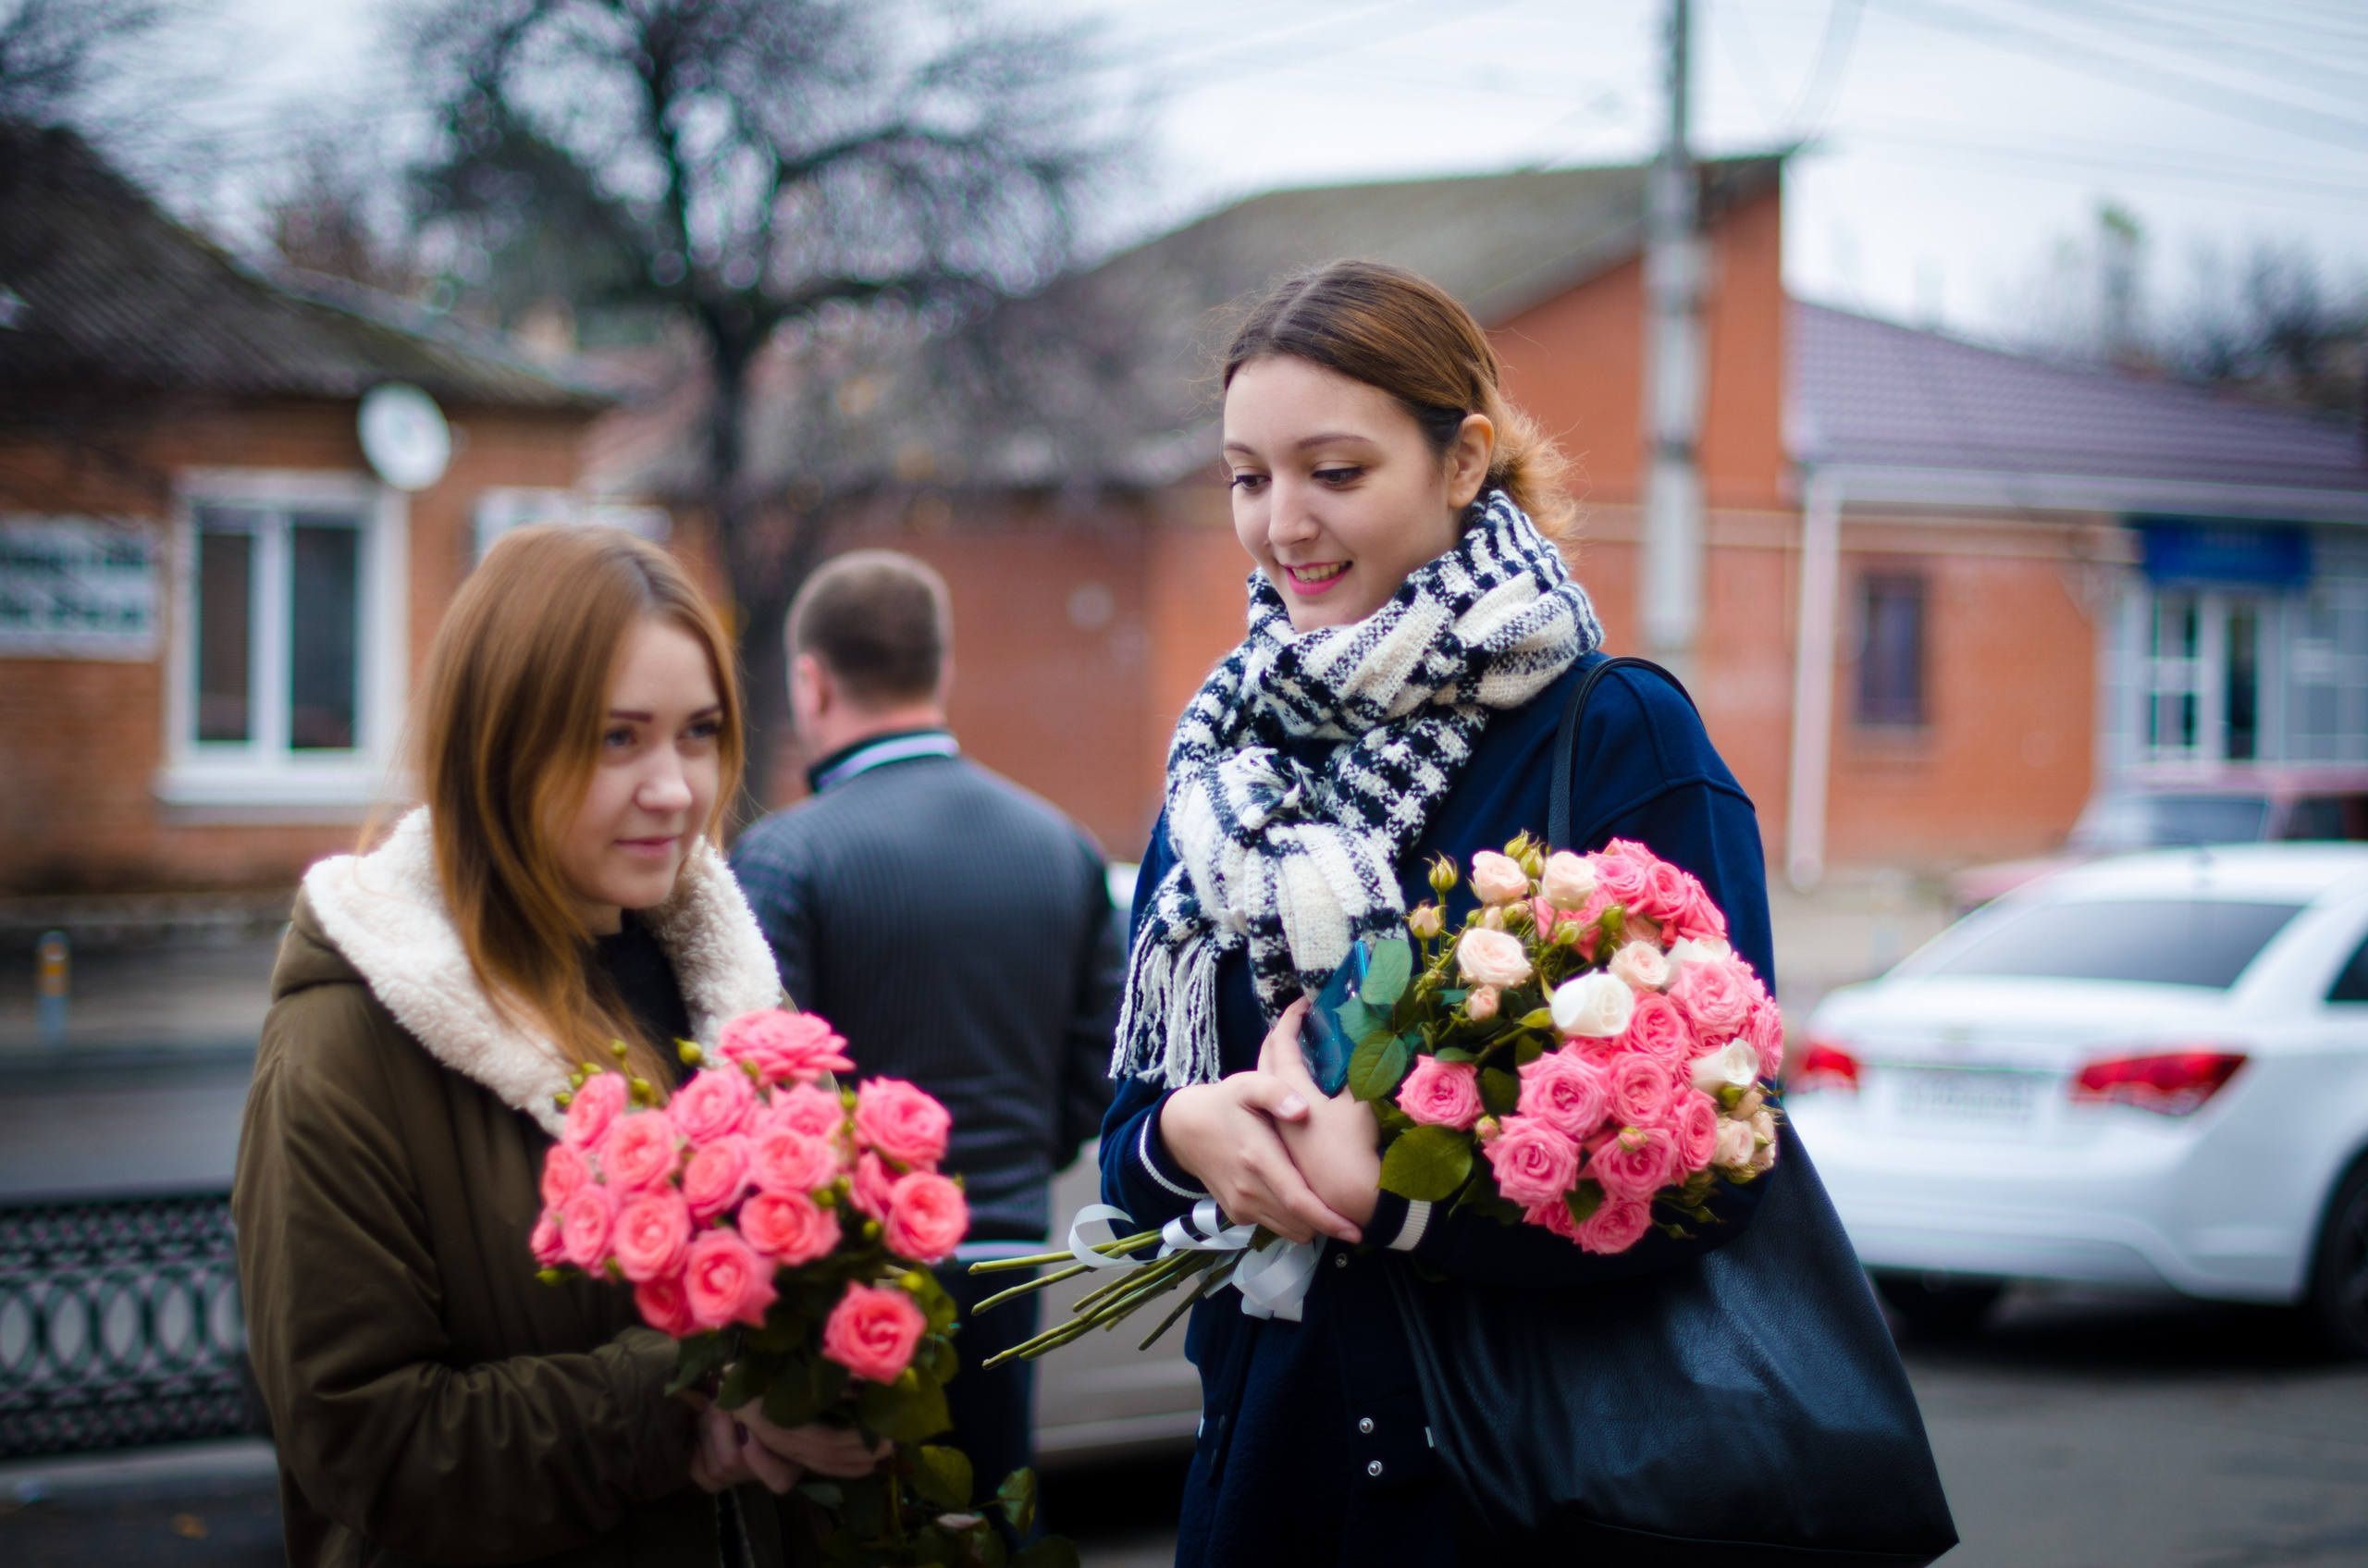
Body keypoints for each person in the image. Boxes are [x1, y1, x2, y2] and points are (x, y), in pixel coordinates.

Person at [1097, 260, 1779, 1564]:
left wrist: (1408, 1204)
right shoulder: (1229, 763)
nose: (1280, 521)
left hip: (1520, 1491)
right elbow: (1128, 1137)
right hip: (1271, 1476)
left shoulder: (1617, 734)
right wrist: (1190, 1131)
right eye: (1248, 476)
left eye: (1334, 472)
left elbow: (1719, 1160)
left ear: (1464, 461)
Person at [235, 525, 885, 1568]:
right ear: (496, 742)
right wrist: (692, 1410)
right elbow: (363, 1441)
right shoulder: (344, 1041)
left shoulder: (724, 998)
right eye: (615, 738)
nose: (673, 787)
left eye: (699, 732)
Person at [731, 549, 1123, 1503]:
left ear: (810, 681)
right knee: (987, 1524)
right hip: (1011, 1267)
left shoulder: (785, 858)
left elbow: (752, 1092)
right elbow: (1105, 1067)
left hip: (838, 1296)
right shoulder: (1061, 848)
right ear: (940, 673)